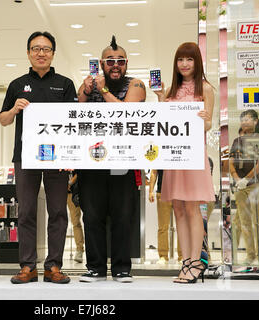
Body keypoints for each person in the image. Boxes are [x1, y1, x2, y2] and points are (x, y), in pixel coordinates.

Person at [0, 31, 77, 284]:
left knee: (58, 211)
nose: (41, 53)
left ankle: (53, 266)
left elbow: (73, 122)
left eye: (46, 49)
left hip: (57, 159)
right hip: (25, 157)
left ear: (53, 53)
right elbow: (3, 120)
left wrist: (70, 157)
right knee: (27, 212)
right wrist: (14, 109)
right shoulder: (17, 84)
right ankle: (28, 267)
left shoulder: (65, 84)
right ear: (28, 53)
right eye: (36, 48)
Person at [77, 36, 146, 283]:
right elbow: (75, 111)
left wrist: (103, 89)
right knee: (92, 216)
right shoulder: (89, 84)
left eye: (120, 61)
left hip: (123, 162)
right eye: (109, 61)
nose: (115, 65)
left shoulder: (136, 84)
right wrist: (86, 89)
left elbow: (126, 113)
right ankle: (95, 267)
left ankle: (121, 268)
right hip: (92, 161)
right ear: (101, 63)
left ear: (126, 63)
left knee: (122, 216)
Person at [151, 42, 215, 284]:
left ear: (197, 62)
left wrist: (207, 119)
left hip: (194, 155)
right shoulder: (170, 91)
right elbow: (164, 121)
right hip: (175, 155)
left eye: (189, 59)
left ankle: (196, 261)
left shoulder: (207, 89)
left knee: (192, 208)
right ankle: (186, 261)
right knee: (178, 207)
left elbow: (207, 126)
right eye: (180, 60)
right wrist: (160, 99)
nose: (185, 64)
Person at [229, 109, 259, 265]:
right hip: (240, 187)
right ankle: (250, 254)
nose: (244, 122)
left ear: (255, 121)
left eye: (247, 119)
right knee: (244, 222)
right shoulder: (236, 141)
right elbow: (231, 163)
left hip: (256, 185)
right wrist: (237, 179)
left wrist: (246, 179)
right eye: (242, 120)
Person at [148, 169, 183, 265]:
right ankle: (163, 256)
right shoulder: (160, 154)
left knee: (181, 227)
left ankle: (182, 255)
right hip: (162, 191)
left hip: (179, 193)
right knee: (163, 227)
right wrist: (151, 191)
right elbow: (154, 172)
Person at [67, 173, 84, 263]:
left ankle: (79, 250)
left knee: (76, 221)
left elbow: (79, 171)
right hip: (61, 190)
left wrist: (70, 183)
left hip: (74, 191)